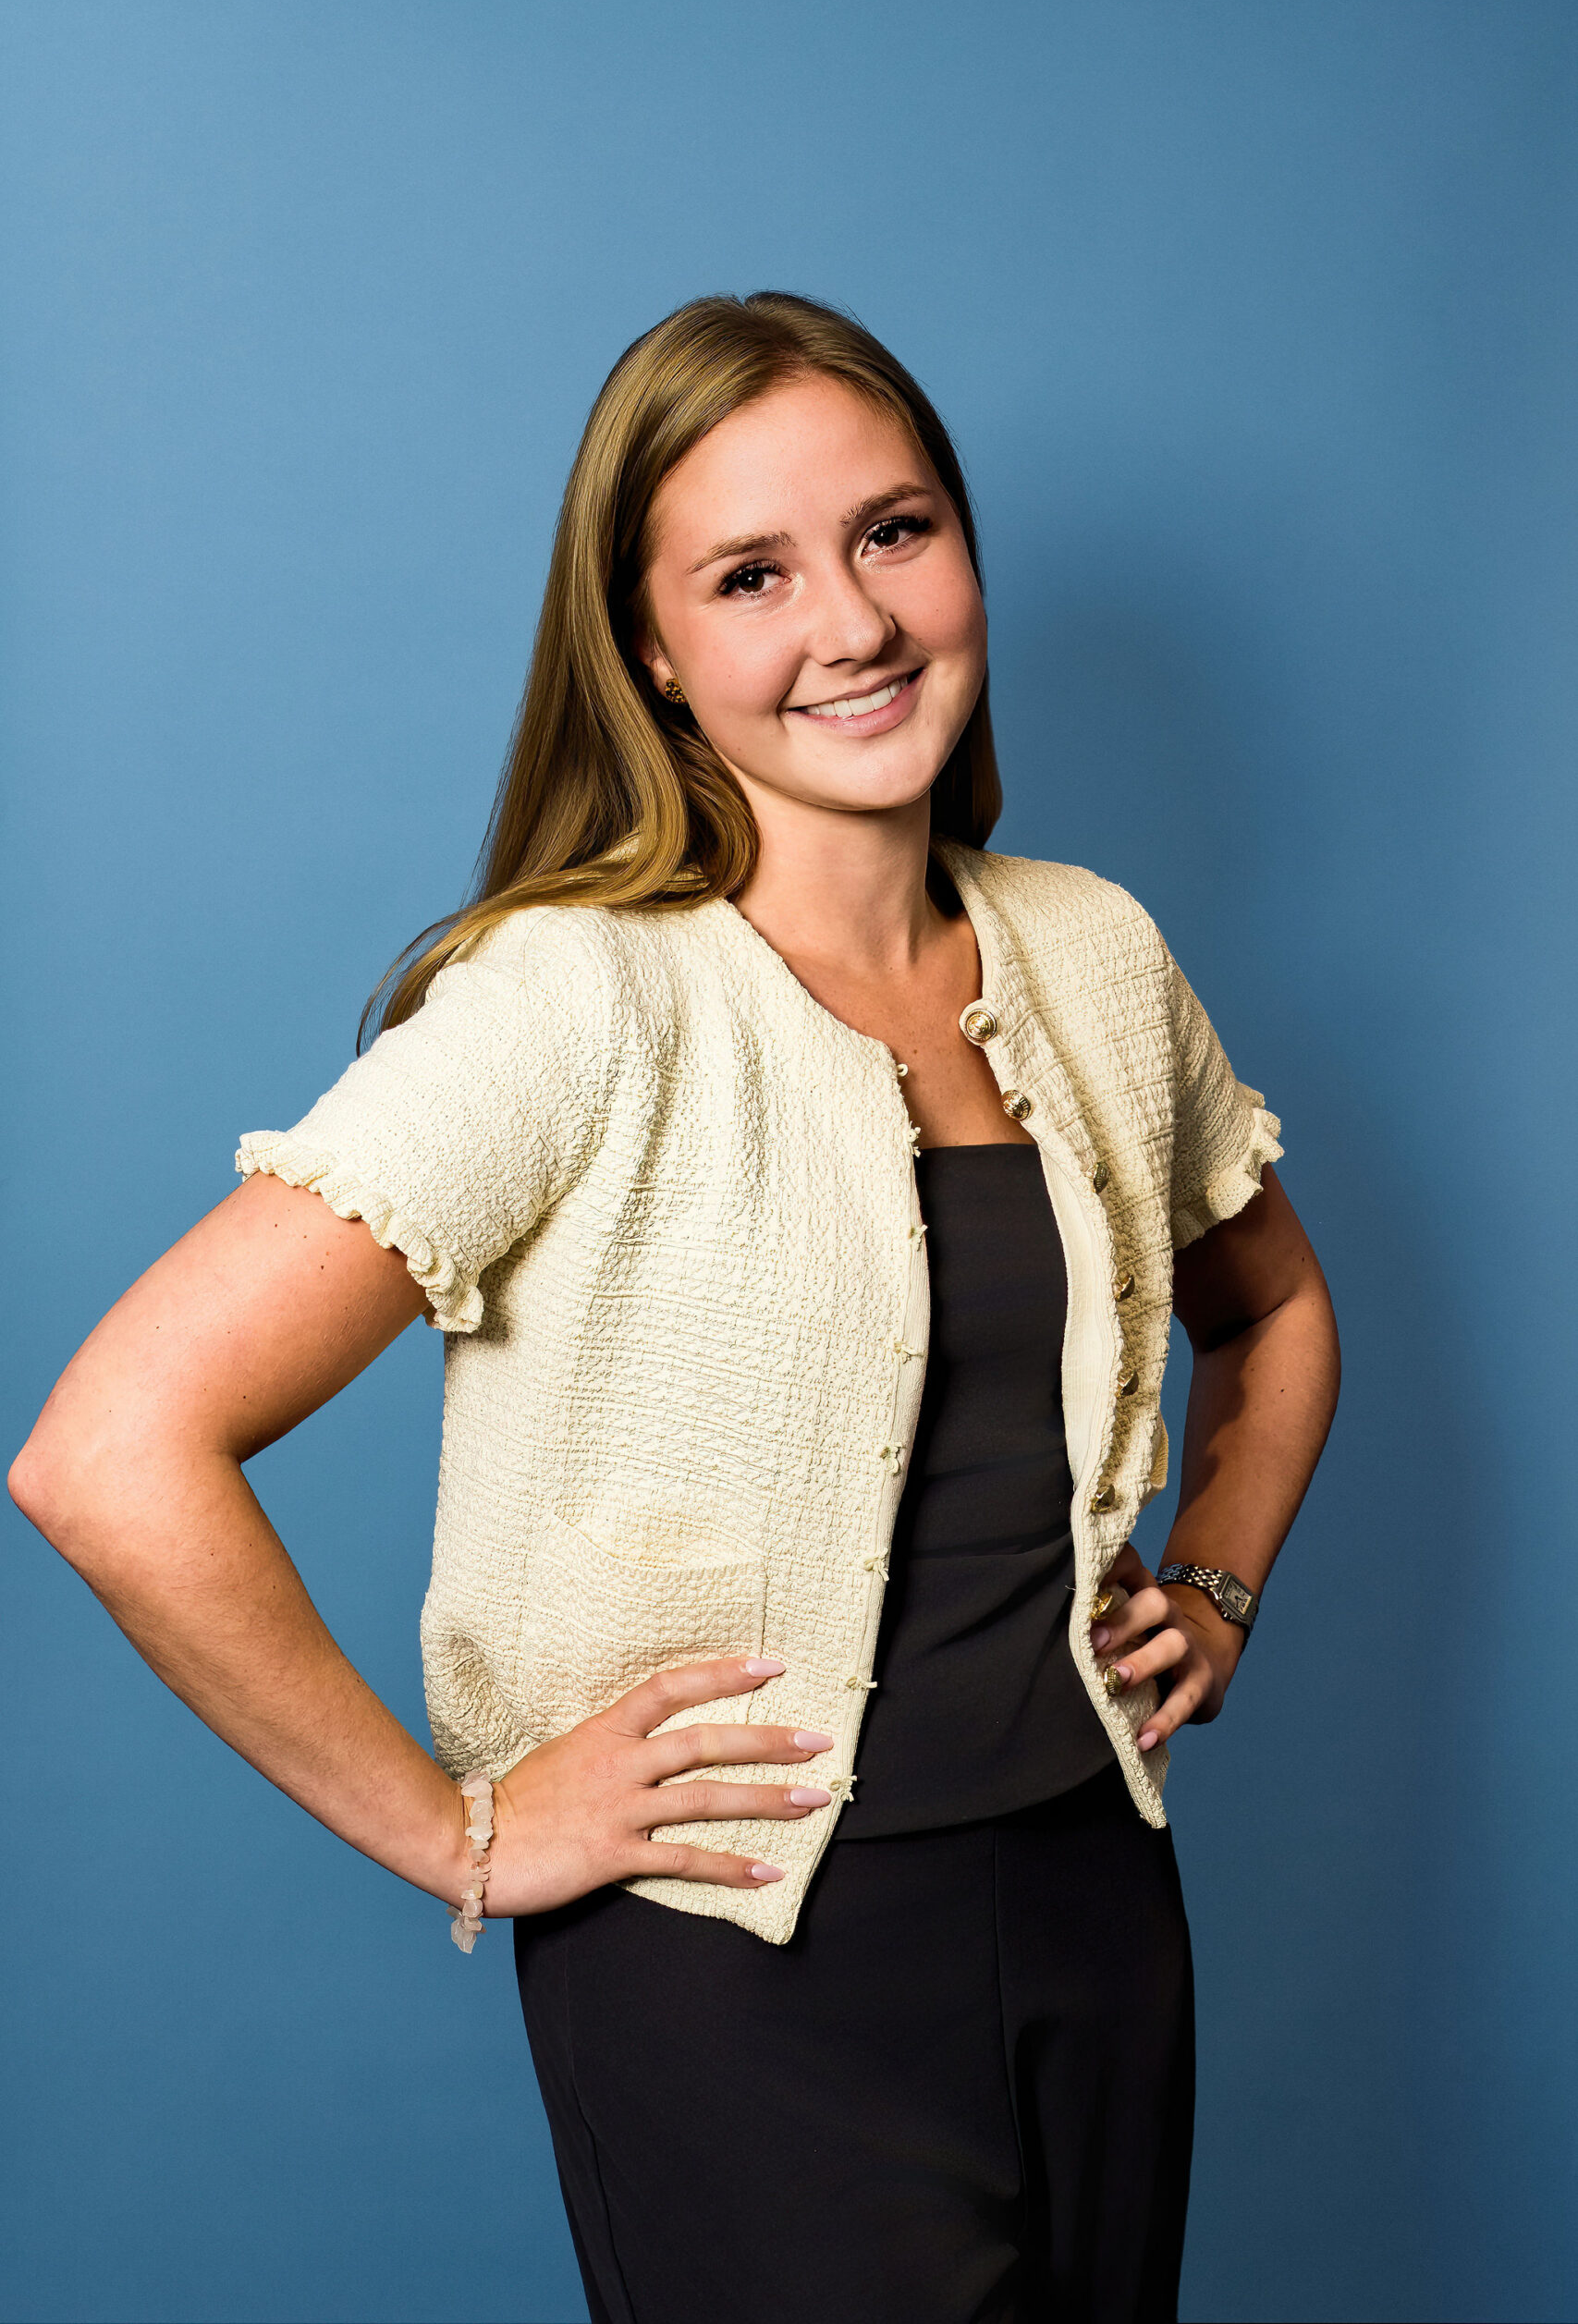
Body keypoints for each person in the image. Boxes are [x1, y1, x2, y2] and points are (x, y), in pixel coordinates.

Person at [9, 291, 1339, 2324]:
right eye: (750, 573)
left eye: (893, 531)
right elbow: (108, 1452)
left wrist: (1217, 1577)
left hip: (1091, 1897)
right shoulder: (574, 1001)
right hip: (738, 1968)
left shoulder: (1087, 952)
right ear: (650, 650)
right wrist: (459, 1830)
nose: (852, 622)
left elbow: (1278, 1305)